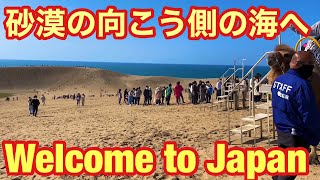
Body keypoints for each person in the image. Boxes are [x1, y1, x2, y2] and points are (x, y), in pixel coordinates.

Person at [271, 51, 320, 180]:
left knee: (281, 165)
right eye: (310, 65)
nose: (312, 68)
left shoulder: (278, 81)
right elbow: (308, 114)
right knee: (290, 171)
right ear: (299, 64)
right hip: (296, 134)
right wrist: (314, 137)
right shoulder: (302, 85)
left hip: (281, 130)